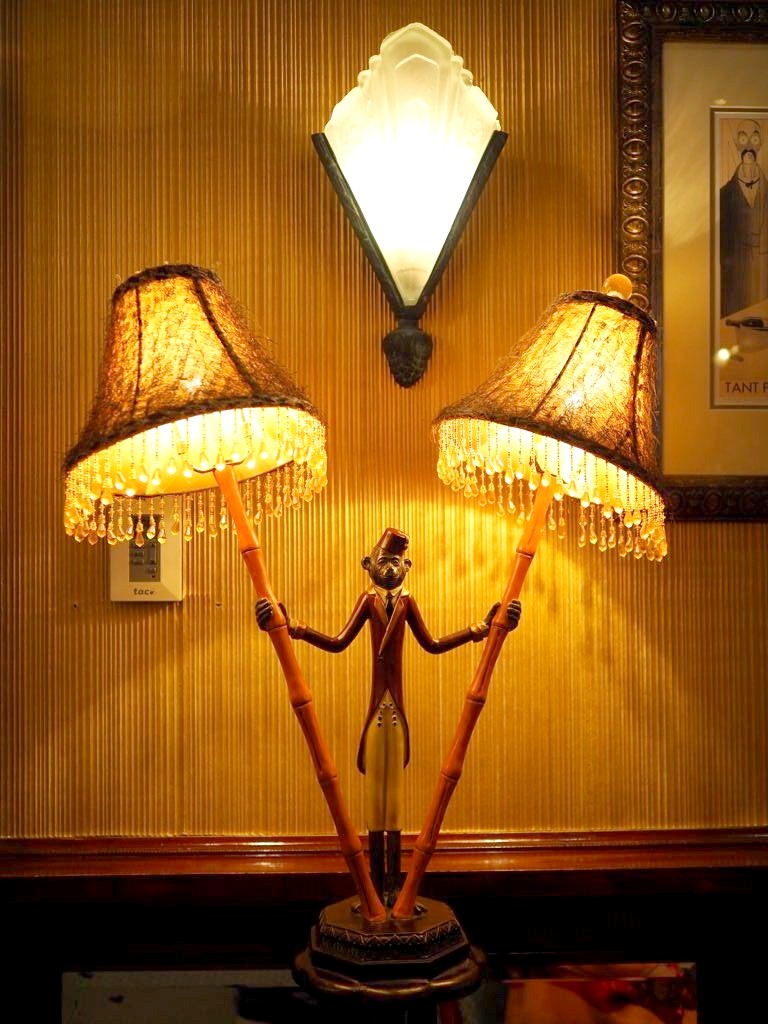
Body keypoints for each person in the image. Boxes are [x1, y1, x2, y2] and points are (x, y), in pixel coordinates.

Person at [256, 527, 521, 904]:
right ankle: (375, 885)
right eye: (384, 561)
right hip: (377, 711)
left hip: (395, 712)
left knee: (393, 800)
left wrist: (483, 628)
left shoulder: (408, 602)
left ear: (407, 566)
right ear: (367, 565)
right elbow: (337, 642)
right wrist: (289, 627)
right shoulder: (368, 601)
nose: (392, 568)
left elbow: (432, 644)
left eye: (397, 562)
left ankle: (394, 886)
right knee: (373, 799)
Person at [720, 118, 768, 318]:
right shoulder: (724, 195)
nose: (748, 146)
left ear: (761, 144)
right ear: (736, 144)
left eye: (754, 139)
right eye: (743, 138)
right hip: (735, 277)